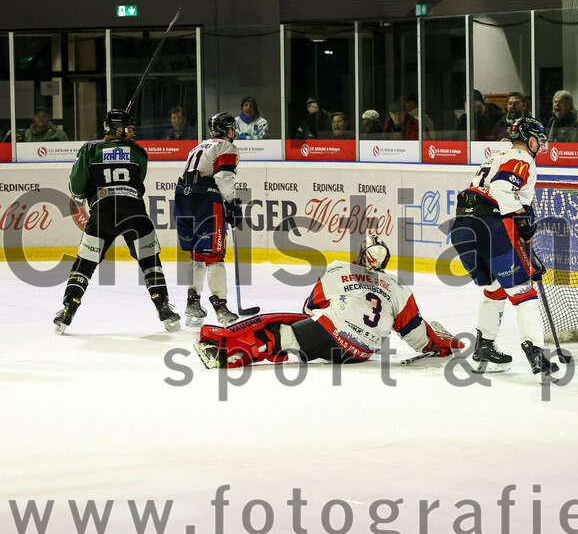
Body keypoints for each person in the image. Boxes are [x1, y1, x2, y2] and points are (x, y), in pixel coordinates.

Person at [193, 235, 463, 369]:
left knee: (277, 329)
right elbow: (417, 335)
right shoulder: (398, 286)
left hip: (332, 335)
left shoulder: (339, 268)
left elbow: (309, 310)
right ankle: (243, 350)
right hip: (360, 353)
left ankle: (225, 353)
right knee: (292, 333)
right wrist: (444, 345)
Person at [449, 118, 558, 381]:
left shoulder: (496, 156)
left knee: (495, 287)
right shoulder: (523, 158)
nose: (539, 147)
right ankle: (536, 353)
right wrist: (522, 216)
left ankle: (485, 347)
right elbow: (501, 189)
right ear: (531, 140)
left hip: (463, 228)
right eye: (539, 141)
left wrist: (523, 234)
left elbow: (488, 192)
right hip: (491, 227)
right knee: (524, 292)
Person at [53, 109, 180, 334]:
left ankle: (67, 310)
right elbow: (138, 180)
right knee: (150, 261)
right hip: (134, 211)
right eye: (128, 127)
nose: (132, 131)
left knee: (85, 263)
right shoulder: (139, 152)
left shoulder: (90, 149)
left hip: (103, 212)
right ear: (116, 128)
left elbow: (76, 188)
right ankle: (164, 309)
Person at [173, 112, 244, 328]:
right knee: (214, 254)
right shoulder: (227, 147)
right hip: (205, 200)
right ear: (228, 130)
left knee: (197, 254)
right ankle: (220, 307)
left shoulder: (199, 146)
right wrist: (231, 204)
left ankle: (192, 303)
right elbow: (223, 177)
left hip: (182, 197)